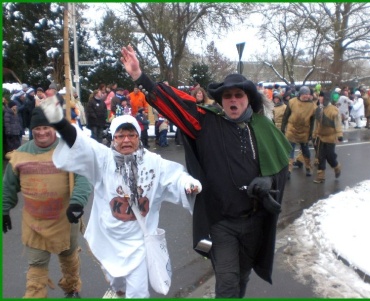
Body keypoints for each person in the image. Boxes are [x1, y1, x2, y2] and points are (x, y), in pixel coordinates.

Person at [120, 44, 291, 298]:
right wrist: (139, 77)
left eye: (239, 95)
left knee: (242, 277)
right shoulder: (206, 121)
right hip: (221, 222)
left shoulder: (264, 128)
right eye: (228, 96)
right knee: (227, 281)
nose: (233, 100)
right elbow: (174, 104)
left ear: (248, 100)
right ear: (221, 100)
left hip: (254, 221)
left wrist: (268, 181)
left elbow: (281, 168)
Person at [38, 97, 202, 298]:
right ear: (113, 138)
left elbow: (175, 177)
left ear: (138, 137)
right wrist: (59, 123)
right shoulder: (103, 159)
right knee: (117, 280)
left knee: (138, 291)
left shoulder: (154, 163)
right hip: (111, 237)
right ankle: (118, 290)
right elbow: (79, 143)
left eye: (131, 135)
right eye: (121, 135)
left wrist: (187, 185)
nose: (126, 140)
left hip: (140, 241)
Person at [2, 107, 92, 298]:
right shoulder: (21, 155)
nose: (41, 132)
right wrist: (4, 209)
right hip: (35, 224)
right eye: (37, 129)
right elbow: (8, 185)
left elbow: (83, 177)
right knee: (36, 266)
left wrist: (77, 202)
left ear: (54, 128)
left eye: (46, 127)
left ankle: (72, 288)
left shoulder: (68, 150)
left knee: (69, 259)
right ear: (31, 129)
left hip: (65, 220)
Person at [281, 86, 317, 179]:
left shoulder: (312, 106)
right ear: (300, 94)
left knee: (305, 151)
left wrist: (311, 134)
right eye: (305, 94)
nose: (306, 96)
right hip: (292, 129)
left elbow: (313, 121)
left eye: (308, 94)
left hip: (304, 131)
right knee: (290, 150)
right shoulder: (292, 102)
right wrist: (282, 127)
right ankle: (288, 170)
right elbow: (286, 115)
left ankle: (308, 168)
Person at [311, 91, 343, 183]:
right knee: (320, 157)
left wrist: (339, 135)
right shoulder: (318, 109)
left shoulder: (333, 110)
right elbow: (316, 124)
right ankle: (321, 177)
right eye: (319, 97)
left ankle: (336, 167)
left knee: (330, 156)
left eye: (322, 97)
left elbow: (337, 123)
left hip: (330, 137)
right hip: (320, 137)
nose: (320, 98)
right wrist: (314, 135)